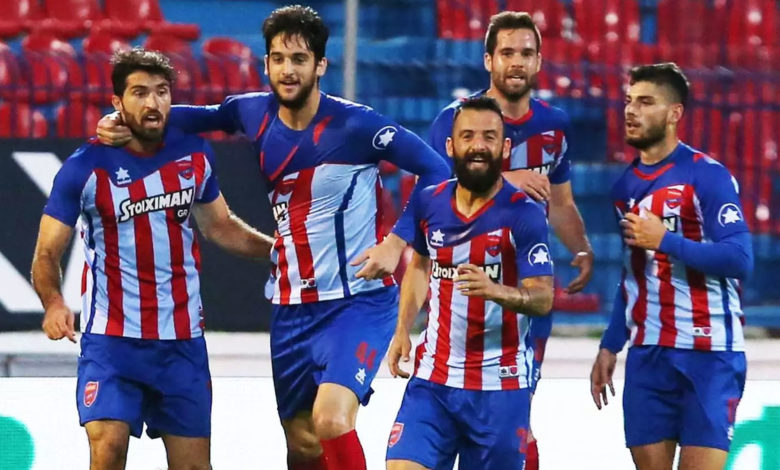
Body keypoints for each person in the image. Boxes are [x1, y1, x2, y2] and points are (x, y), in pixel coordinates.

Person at [96, 6, 451, 470]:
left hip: (356, 302)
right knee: (303, 445)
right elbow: (185, 117)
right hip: (291, 308)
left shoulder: (358, 126)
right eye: (279, 59)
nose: (288, 70)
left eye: (299, 59)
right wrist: (120, 117)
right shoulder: (251, 112)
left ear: (320, 65)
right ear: (265, 64)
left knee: (331, 419)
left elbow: (437, 170)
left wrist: (397, 241)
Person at [31, 49, 274, 470]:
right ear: (117, 102)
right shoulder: (84, 167)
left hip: (181, 343)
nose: (153, 102)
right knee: (108, 448)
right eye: (140, 92)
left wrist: (278, 251)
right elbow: (47, 252)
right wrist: (53, 302)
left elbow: (221, 227)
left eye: (161, 92)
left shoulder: (195, 155)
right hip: (111, 343)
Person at [428, 12, 593, 467]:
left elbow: (560, 202)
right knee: (461, 416)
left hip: (527, 293)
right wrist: (507, 179)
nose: (516, 62)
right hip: (465, 293)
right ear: (488, 60)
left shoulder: (554, 126)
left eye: (526, 53)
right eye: (506, 53)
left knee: (518, 415)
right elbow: (435, 201)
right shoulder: (453, 122)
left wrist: (581, 247)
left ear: (539, 61)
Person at [589, 63, 753, 470]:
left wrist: (666, 240)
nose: (631, 110)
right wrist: (610, 344)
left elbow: (740, 258)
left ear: (674, 113)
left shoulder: (707, 176)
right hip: (648, 356)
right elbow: (633, 276)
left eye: (646, 102)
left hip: (710, 355)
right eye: (629, 101)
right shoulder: (624, 188)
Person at [385, 95, 554, 470]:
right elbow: (419, 265)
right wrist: (402, 330)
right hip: (434, 379)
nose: (478, 146)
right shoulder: (428, 202)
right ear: (450, 145)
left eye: (489, 137)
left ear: (504, 147)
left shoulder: (525, 215)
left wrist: (496, 291)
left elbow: (543, 298)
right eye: (468, 136)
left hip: (499, 386)